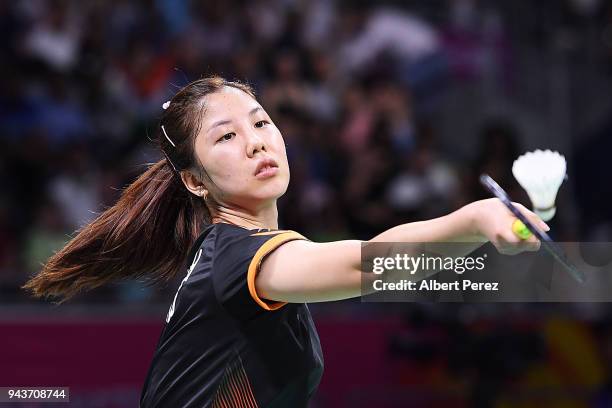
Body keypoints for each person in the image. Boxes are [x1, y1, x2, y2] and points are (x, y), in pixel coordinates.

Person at [23, 76, 548, 407]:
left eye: (261, 122)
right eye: (226, 137)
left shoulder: (237, 256)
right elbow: (371, 264)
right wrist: (474, 222)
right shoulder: (238, 258)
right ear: (194, 180)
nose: (256, 141)